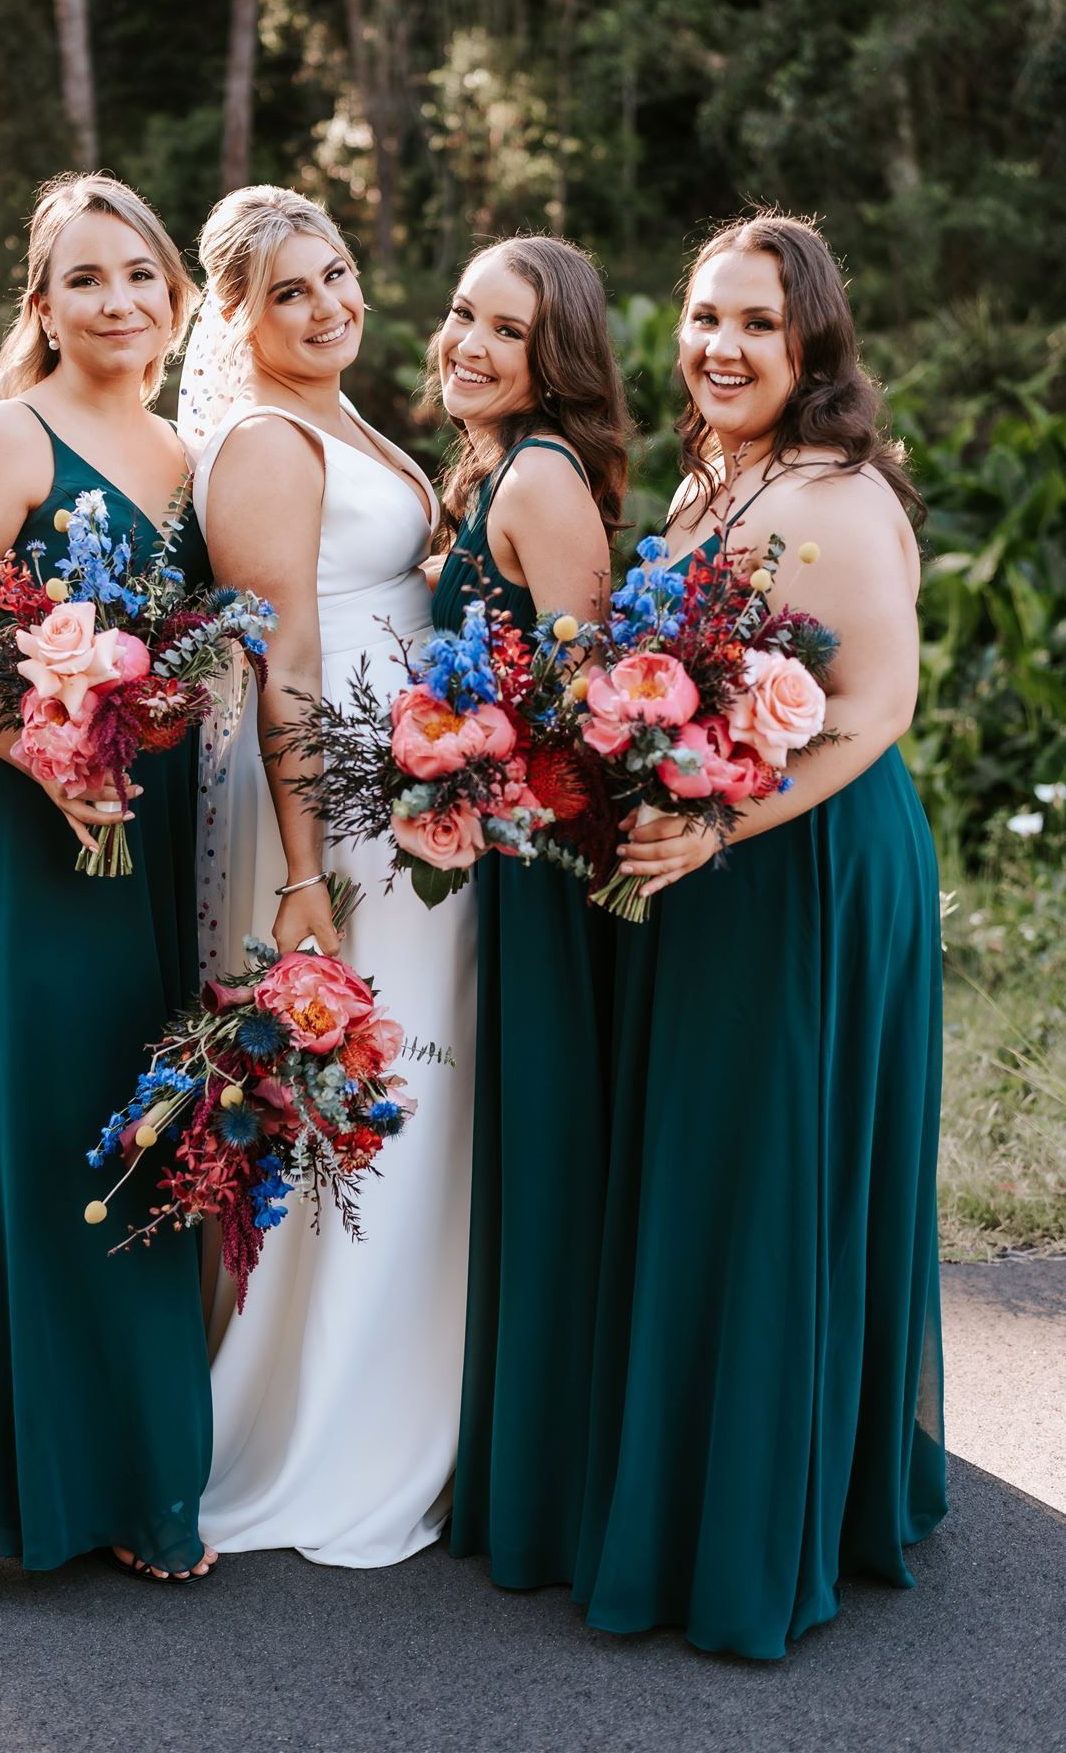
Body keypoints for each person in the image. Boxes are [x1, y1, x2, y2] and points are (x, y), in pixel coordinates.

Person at [573, 211, 946, 1657]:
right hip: (709, 856)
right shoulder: (706, 480)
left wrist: (726, 824)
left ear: (811, 350)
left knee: (776, 1172)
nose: (721, 348)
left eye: (756, 326)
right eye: (705, 319)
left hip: (807, 865)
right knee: (717, 1169)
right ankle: (701, 1484)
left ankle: (765, 1529)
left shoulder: (840, 499)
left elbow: (870, 711)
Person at [0, 173, 217, 1583]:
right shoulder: (9, 437)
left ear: (177, 298)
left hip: (160, 828)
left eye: (139, 275)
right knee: (53, 1125)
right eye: (85, 279)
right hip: (41, 829)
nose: (119, 301)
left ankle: (139, 1475)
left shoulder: (188, 456)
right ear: (42, 306)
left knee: (148, 1121)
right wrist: (46, 752)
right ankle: (39, 1486)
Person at [183, 184, 476, 1567]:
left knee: (414, 1077)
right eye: (291, 292)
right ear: (236, 319)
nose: (329, 306)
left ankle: (410, 1389)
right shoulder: (262, 441)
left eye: (339, 273)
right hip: (337, 811)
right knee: (365, 1086)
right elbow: (281, 665)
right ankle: (325, 1421)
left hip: (403, 783)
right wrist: (303, 875)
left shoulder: (347, 420)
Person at [426, 237, 633, 1587]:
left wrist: (465, 764)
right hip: (490, 853)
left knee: (542, 1146)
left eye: (506, 330)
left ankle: (552, 1474)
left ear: (551, 355)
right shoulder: (487, 470)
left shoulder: (543, 477)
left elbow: (595, 705)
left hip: (540, 866)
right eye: (458, 315)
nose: (470, 344)